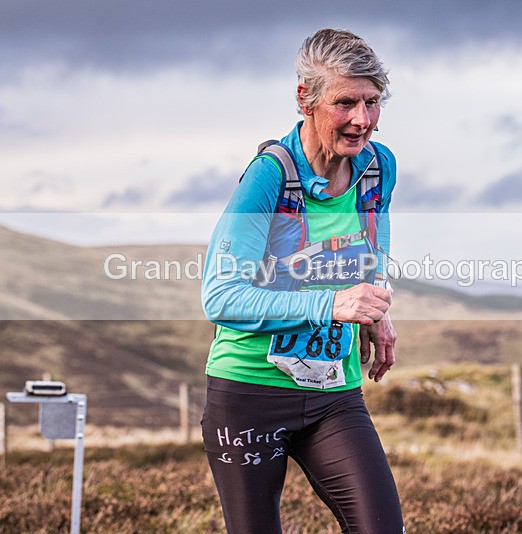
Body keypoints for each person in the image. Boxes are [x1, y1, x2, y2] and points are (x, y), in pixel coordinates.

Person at [201, 28, 404, 533]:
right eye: (346, 103)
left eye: (372, 102)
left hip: (335, 392)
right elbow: (220, 295)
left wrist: (376, 313)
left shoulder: (378, 168)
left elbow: (371, 250)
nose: (363, 120)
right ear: (305, 99)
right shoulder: (269, 177)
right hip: (249, 391)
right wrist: (333, 305)